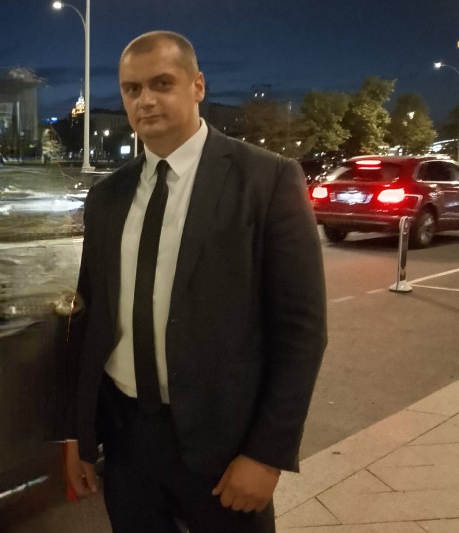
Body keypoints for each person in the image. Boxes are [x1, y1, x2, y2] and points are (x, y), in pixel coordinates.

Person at [63, 31, 327, 533]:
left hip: (224, 446)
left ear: (197, 85)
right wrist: (77, 432)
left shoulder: (266, 180)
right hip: (126, 440)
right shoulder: (108, 197)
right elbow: (90, 315)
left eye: (162, 83)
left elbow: (302, 330)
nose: (145, 100)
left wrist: (267, 454)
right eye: (132, 89)